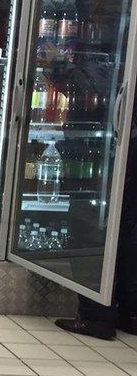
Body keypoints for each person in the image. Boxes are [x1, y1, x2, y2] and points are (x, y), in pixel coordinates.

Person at [55, 105, 137, 340]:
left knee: (89, 225)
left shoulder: (94, 70)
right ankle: (131, 315)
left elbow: (96, 100)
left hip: (105, 149)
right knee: (130, 228)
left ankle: (96, 316)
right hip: (128, 146)